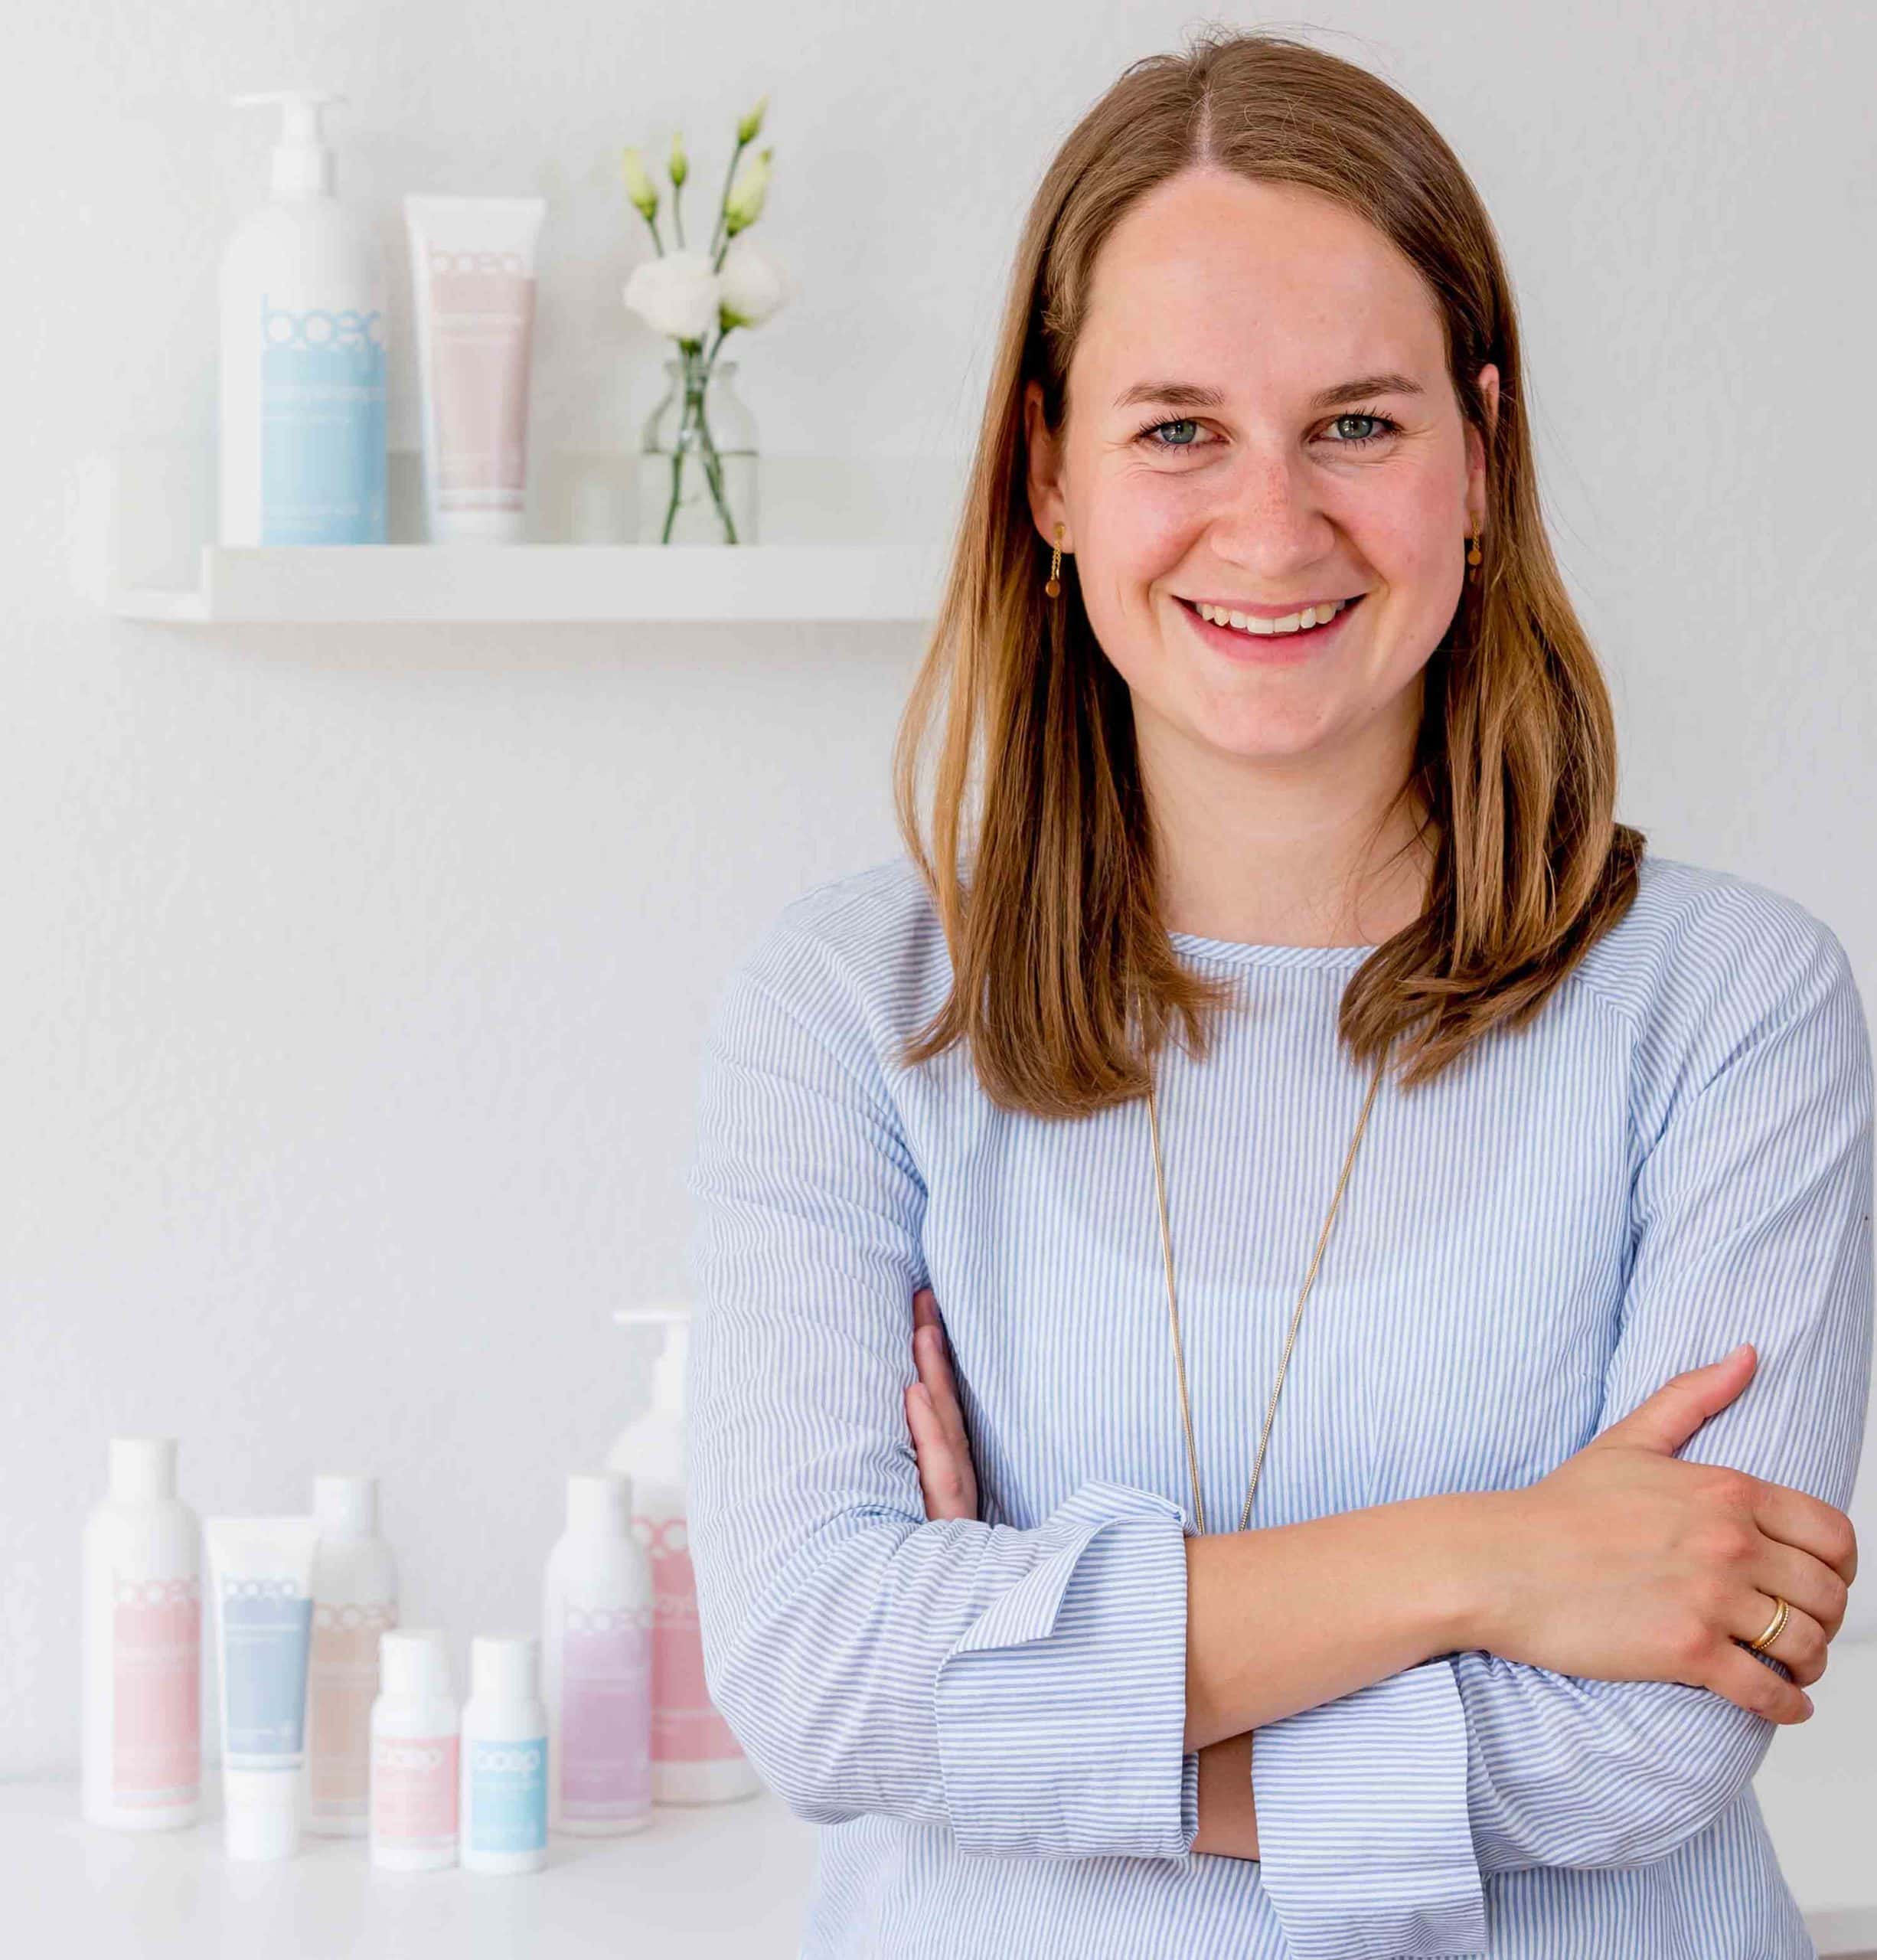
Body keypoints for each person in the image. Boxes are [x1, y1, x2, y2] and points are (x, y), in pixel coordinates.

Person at [681, 25, 1872, 1958]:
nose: (1270, 523)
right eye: (1176, 429)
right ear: (1046, 474)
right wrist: (1492, 1559)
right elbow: (822, 1674)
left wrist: (1020, 1678)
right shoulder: (851, 1011)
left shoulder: (1730, 1007)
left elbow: (1646, 1736)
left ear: (1477, 457)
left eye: (1356, 424)